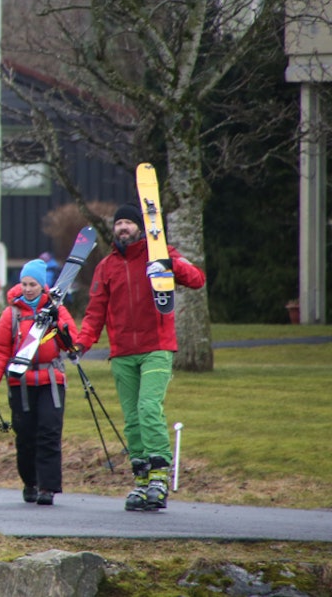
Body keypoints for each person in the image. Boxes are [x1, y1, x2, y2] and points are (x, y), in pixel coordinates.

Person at [74, 202, 206, 512]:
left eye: (128, 224)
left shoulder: (161, 254)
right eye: (118, 224)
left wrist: (169, 267)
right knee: (133, 421)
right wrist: (82, 343)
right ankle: (142, 480)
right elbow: (95, 313)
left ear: (140, 227)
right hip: (122, 353)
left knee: (148, 408)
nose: (122, 228)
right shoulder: (106, 266)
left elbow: (196, 278)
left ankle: (160, 476)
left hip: (156, 348)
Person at [0, 259, 78, 506]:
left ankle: (48, 487)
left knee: (48, 432)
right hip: (21, 383)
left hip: (51, 379)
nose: (27, 289)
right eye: (24, 283)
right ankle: (30, 481)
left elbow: (72, 341)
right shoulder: (11, 314)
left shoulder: (56, 308)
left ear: (43, 285)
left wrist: (59, 322)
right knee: (25, 435)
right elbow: (0, 351)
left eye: (33, 284)